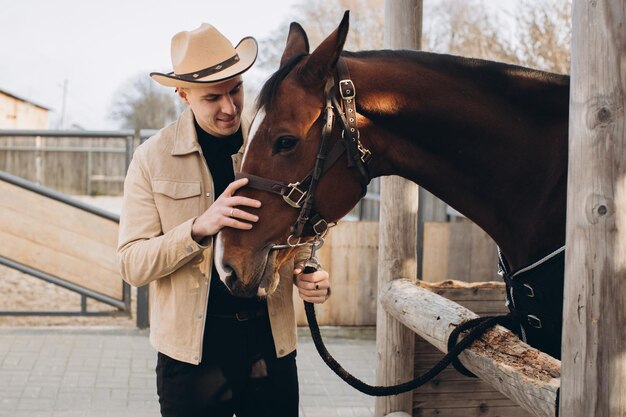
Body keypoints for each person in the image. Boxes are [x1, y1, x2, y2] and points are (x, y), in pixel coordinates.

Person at [117, 23, 331, 417]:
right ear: (182, 95)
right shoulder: (151, 158)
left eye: (236, 89)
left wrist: (309, 269)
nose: (230, 107)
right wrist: (198, 229)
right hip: (191, 355)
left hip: (270, 343)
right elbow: (132, 264)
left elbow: (299, 232)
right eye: (213, 96)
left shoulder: (273, 141)